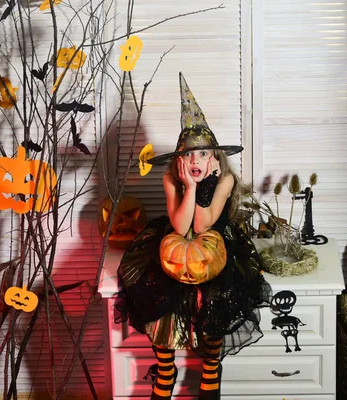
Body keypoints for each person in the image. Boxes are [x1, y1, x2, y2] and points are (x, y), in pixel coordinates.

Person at [114, 72, 272, 400]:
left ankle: (210, 371)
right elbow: (181, 225)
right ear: (178, 159)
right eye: (188, 154)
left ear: (215, 159)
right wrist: (190, 186)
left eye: (203, 154)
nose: (195, 160)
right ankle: (166, 368)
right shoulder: (172, 182)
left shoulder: (225, 180)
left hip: (217, 246)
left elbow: (202, 225)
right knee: (160, 297)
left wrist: (205, 187)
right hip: (175, 242)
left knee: (215, 301)